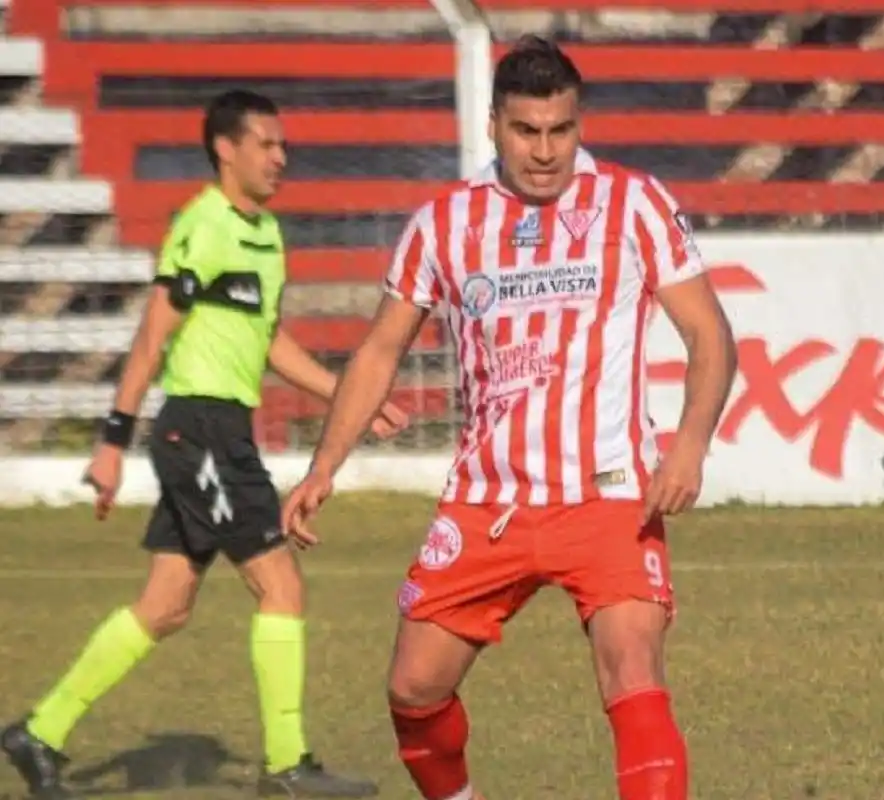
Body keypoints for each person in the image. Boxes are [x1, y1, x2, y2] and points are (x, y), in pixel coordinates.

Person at [281, 35, 737, 800]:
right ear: (494, 124)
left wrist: (690, 446)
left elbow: (709, 334)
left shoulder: (634, 202)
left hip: (609, 494)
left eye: (561, 129)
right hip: (488, 502)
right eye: (527, 131)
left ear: (579, 122)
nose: (546, 150)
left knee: (633, 670)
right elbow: (379, 350)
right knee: (414, 691)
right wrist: (323, 469)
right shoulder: (445, 224)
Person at [1, 89, 403, 799]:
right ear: (227, 149)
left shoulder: (267, 236)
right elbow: (155, 330)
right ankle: (287, 766)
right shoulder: (203, 225)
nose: (281, 157)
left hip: (219, 432)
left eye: (283, 145)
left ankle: (40, 734)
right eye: (267, 144)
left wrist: (350, 399)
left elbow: (269, 341)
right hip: (201, 428)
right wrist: (110, 442)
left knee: (165, 606)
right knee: (279, 584)